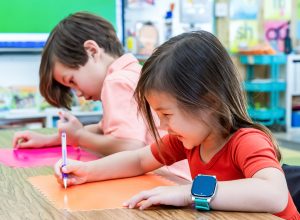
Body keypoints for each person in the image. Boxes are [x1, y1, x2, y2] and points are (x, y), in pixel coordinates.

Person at [53, 31, 299, 219]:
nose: (161, 125)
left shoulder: (247, 142)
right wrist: (88, 172)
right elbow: (139, 160)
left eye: (166, 114)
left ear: (209, 103)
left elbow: (274, 195)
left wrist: (188, 192)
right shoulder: (189, 142)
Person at [12, 11, 190, 180]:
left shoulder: (116, 82)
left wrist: (79, 137)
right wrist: (51, 139)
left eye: (72, 81)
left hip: (169, 178)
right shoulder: (133, 72)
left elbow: (129, 146)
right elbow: (102, 128)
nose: (79, 93)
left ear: (92, 51)